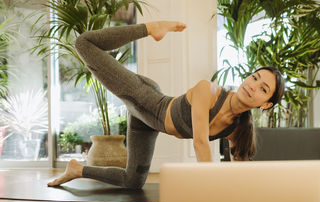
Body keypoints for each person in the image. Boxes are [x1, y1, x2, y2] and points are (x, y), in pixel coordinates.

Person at [47, 21, 285, 189]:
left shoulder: (237, 127)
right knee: (84, 43)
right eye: (255, 77)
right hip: (145, 98)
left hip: (149, 122)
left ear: (265, 104)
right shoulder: (208, 90)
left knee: (133, 182)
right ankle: (151, 28)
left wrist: (288, 187)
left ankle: (76, 169)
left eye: (263, 89)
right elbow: (200, 142)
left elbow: (244, 169)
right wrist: (214, 186)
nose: (254, 86)